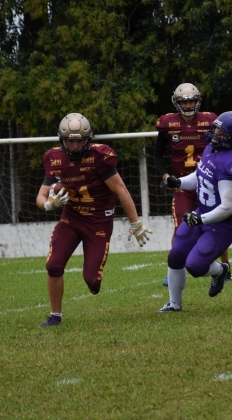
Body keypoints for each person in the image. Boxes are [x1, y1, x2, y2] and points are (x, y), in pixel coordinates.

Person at [37, 113, 152, 326]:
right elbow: (41, 195)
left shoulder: (100, 156)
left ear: (88, 138)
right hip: (71, 219)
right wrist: (47, 204)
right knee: (53, 264)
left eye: (80, 139)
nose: (75, 144)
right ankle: (55, 316)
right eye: (71, 140)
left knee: (92, 280)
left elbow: (121, 190)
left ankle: (93, 281)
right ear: (62, 140)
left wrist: (135, 223)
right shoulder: (53, 158)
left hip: (98, 222)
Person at [156, 111, 232, 312]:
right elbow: (201, 175)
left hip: (223, 224)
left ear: (231, 137)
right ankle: (174, 304)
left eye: (220, 132)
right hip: (203, 212)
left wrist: (200, 219)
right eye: (215, 128)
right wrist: (179, 182)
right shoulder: (211, 148)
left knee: (195, 266)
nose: (214, 133)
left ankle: (220, 271)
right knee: (176, 255)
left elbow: (228, 207)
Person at [154, 83, 232, 287]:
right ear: (176, 103)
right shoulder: (167, 124)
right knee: (180, 226)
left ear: (198, 102)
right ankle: (174, 270)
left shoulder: (210, 121)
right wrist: (165, 175)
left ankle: (226, 265)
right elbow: (157, 154)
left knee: (216, 225)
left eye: (191, 101)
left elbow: (221, 149)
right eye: (184, 102)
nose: (188, 105)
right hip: (182, 184)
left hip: (207, 182)